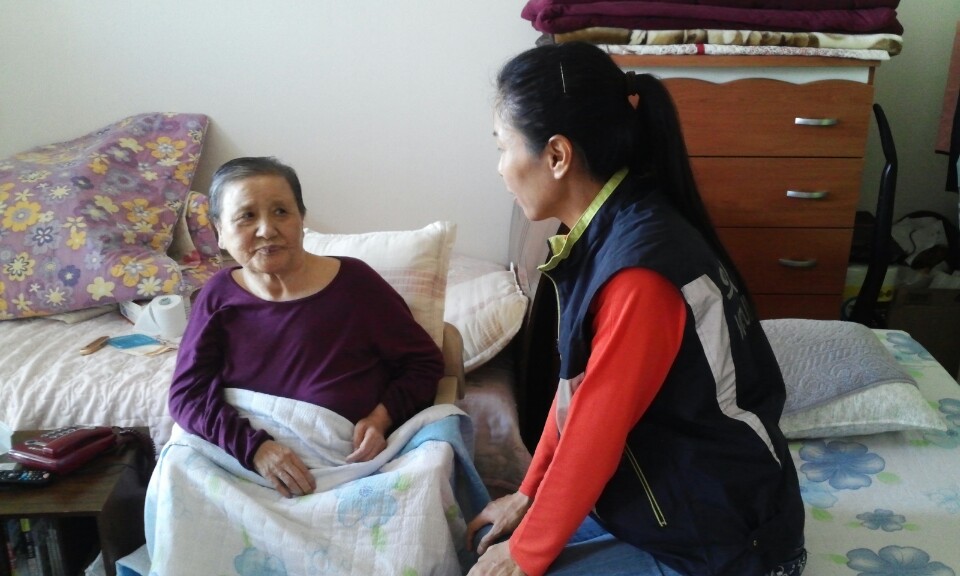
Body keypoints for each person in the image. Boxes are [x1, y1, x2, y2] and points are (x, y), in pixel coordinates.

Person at [466, 42, 806, 576]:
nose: (500, 168)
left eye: (502, 146)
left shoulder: (639, 274)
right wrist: (527, 496)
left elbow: (594, 436)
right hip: (668, 510)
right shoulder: (609, 231)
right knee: (480, 546)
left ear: (557, 156)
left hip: (724, 545)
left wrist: (526, 554)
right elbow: (576, 398)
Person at [167, 156, 443, 499]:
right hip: (245, 464)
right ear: (220, 232)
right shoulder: (217, 297)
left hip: (348, 467)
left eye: (281, 212)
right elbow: (187, 395)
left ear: (302, 219)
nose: (267, 230)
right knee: (176, 465)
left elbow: (423, 364)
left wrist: (381, 418)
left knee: (437, 456)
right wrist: (256, 450)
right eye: (247, 216)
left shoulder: (356, 284)